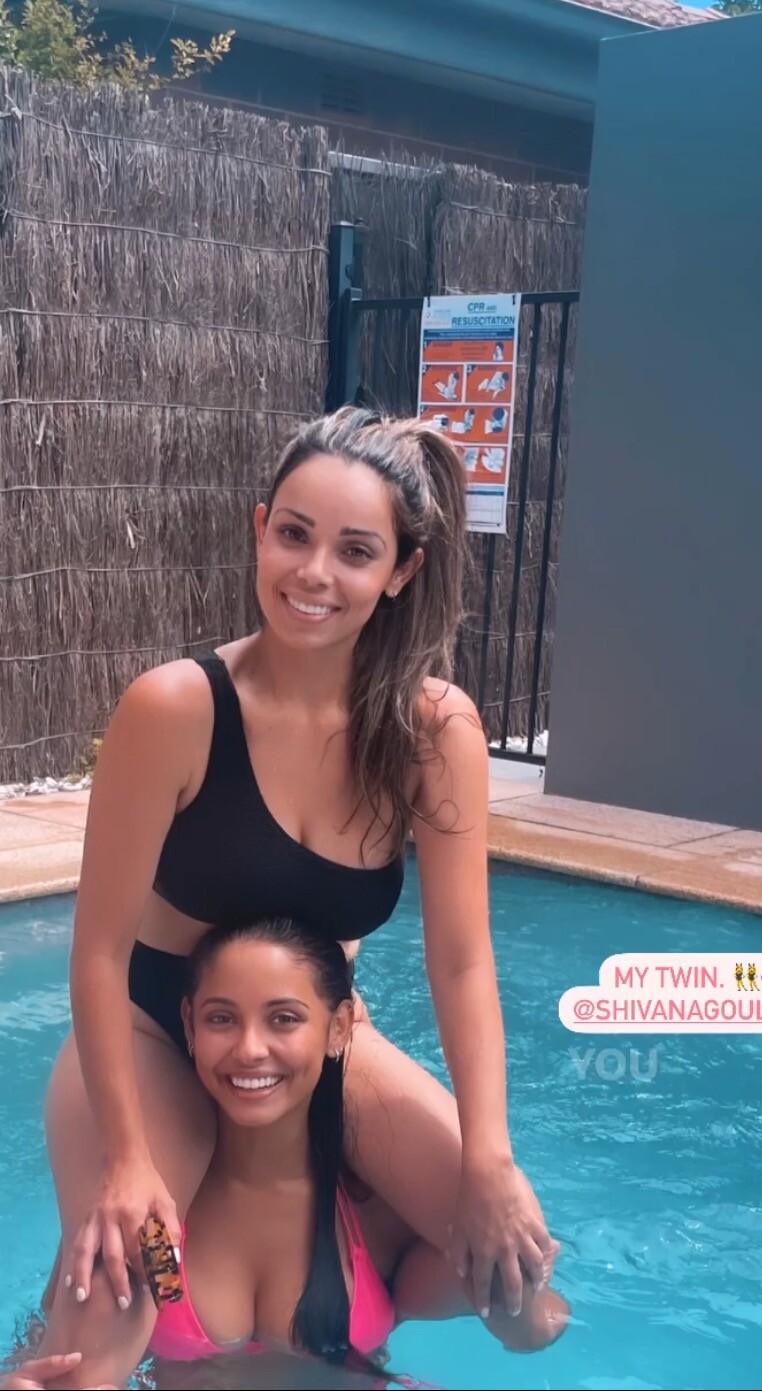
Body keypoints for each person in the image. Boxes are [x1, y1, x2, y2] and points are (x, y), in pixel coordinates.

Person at [41, 406, 556, 1388]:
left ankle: (341, 1293)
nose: (314, 573)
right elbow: (98, 953)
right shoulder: (175, 709)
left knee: (521, 1296)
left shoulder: (433, 732)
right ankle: (159, 1303)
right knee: (102, 1339)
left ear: (400, 570)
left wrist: (488, 1154)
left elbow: (462, 962)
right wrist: (126, 1158)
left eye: (355, 550)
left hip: (317, 1039)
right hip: (154, 1035)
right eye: (294, 534)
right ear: (260, 529)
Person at [38, 919, 567, 1387]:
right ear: (189, 1025)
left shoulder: (373, 1220)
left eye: (284, 1019)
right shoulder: (159, 1218)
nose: (250, 1048)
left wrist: (518, 1291)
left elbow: (535, 1323)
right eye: (221, 1018)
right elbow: (56, 1357)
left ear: (338, 1028)